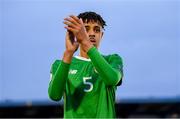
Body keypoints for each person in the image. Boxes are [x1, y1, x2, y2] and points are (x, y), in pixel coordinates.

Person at [48, 11, 123, 118]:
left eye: (97, 30)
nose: (92, 33)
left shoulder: (112, 60)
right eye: (86, 29)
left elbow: (112, 79)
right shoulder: (61, 64)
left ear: (101, 35)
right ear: (75, 34)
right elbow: (54, 95)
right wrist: (68, 53)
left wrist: (86, 42)